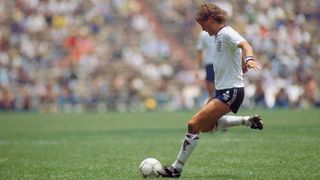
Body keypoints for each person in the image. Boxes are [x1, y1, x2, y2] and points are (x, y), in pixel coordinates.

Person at [158, 3, 264, 178]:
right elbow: (232, 57)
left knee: (193, 124)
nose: (203, 29)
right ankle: (247, 121)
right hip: (223, 91)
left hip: (231, 92)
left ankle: (176, 169)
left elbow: (246, 45)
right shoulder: (218, 36)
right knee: (207, 127)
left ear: (210, 19)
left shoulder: (227, 32)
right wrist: (241, 65)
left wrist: (250, 59)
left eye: (202, 24)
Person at [195, 30, 216, 98]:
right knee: (211, 91)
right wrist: (198, 68)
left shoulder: (222, 32)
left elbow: (199, 51)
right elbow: (199, 51)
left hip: (218, 64)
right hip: (210, 63)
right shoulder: (204, 34)